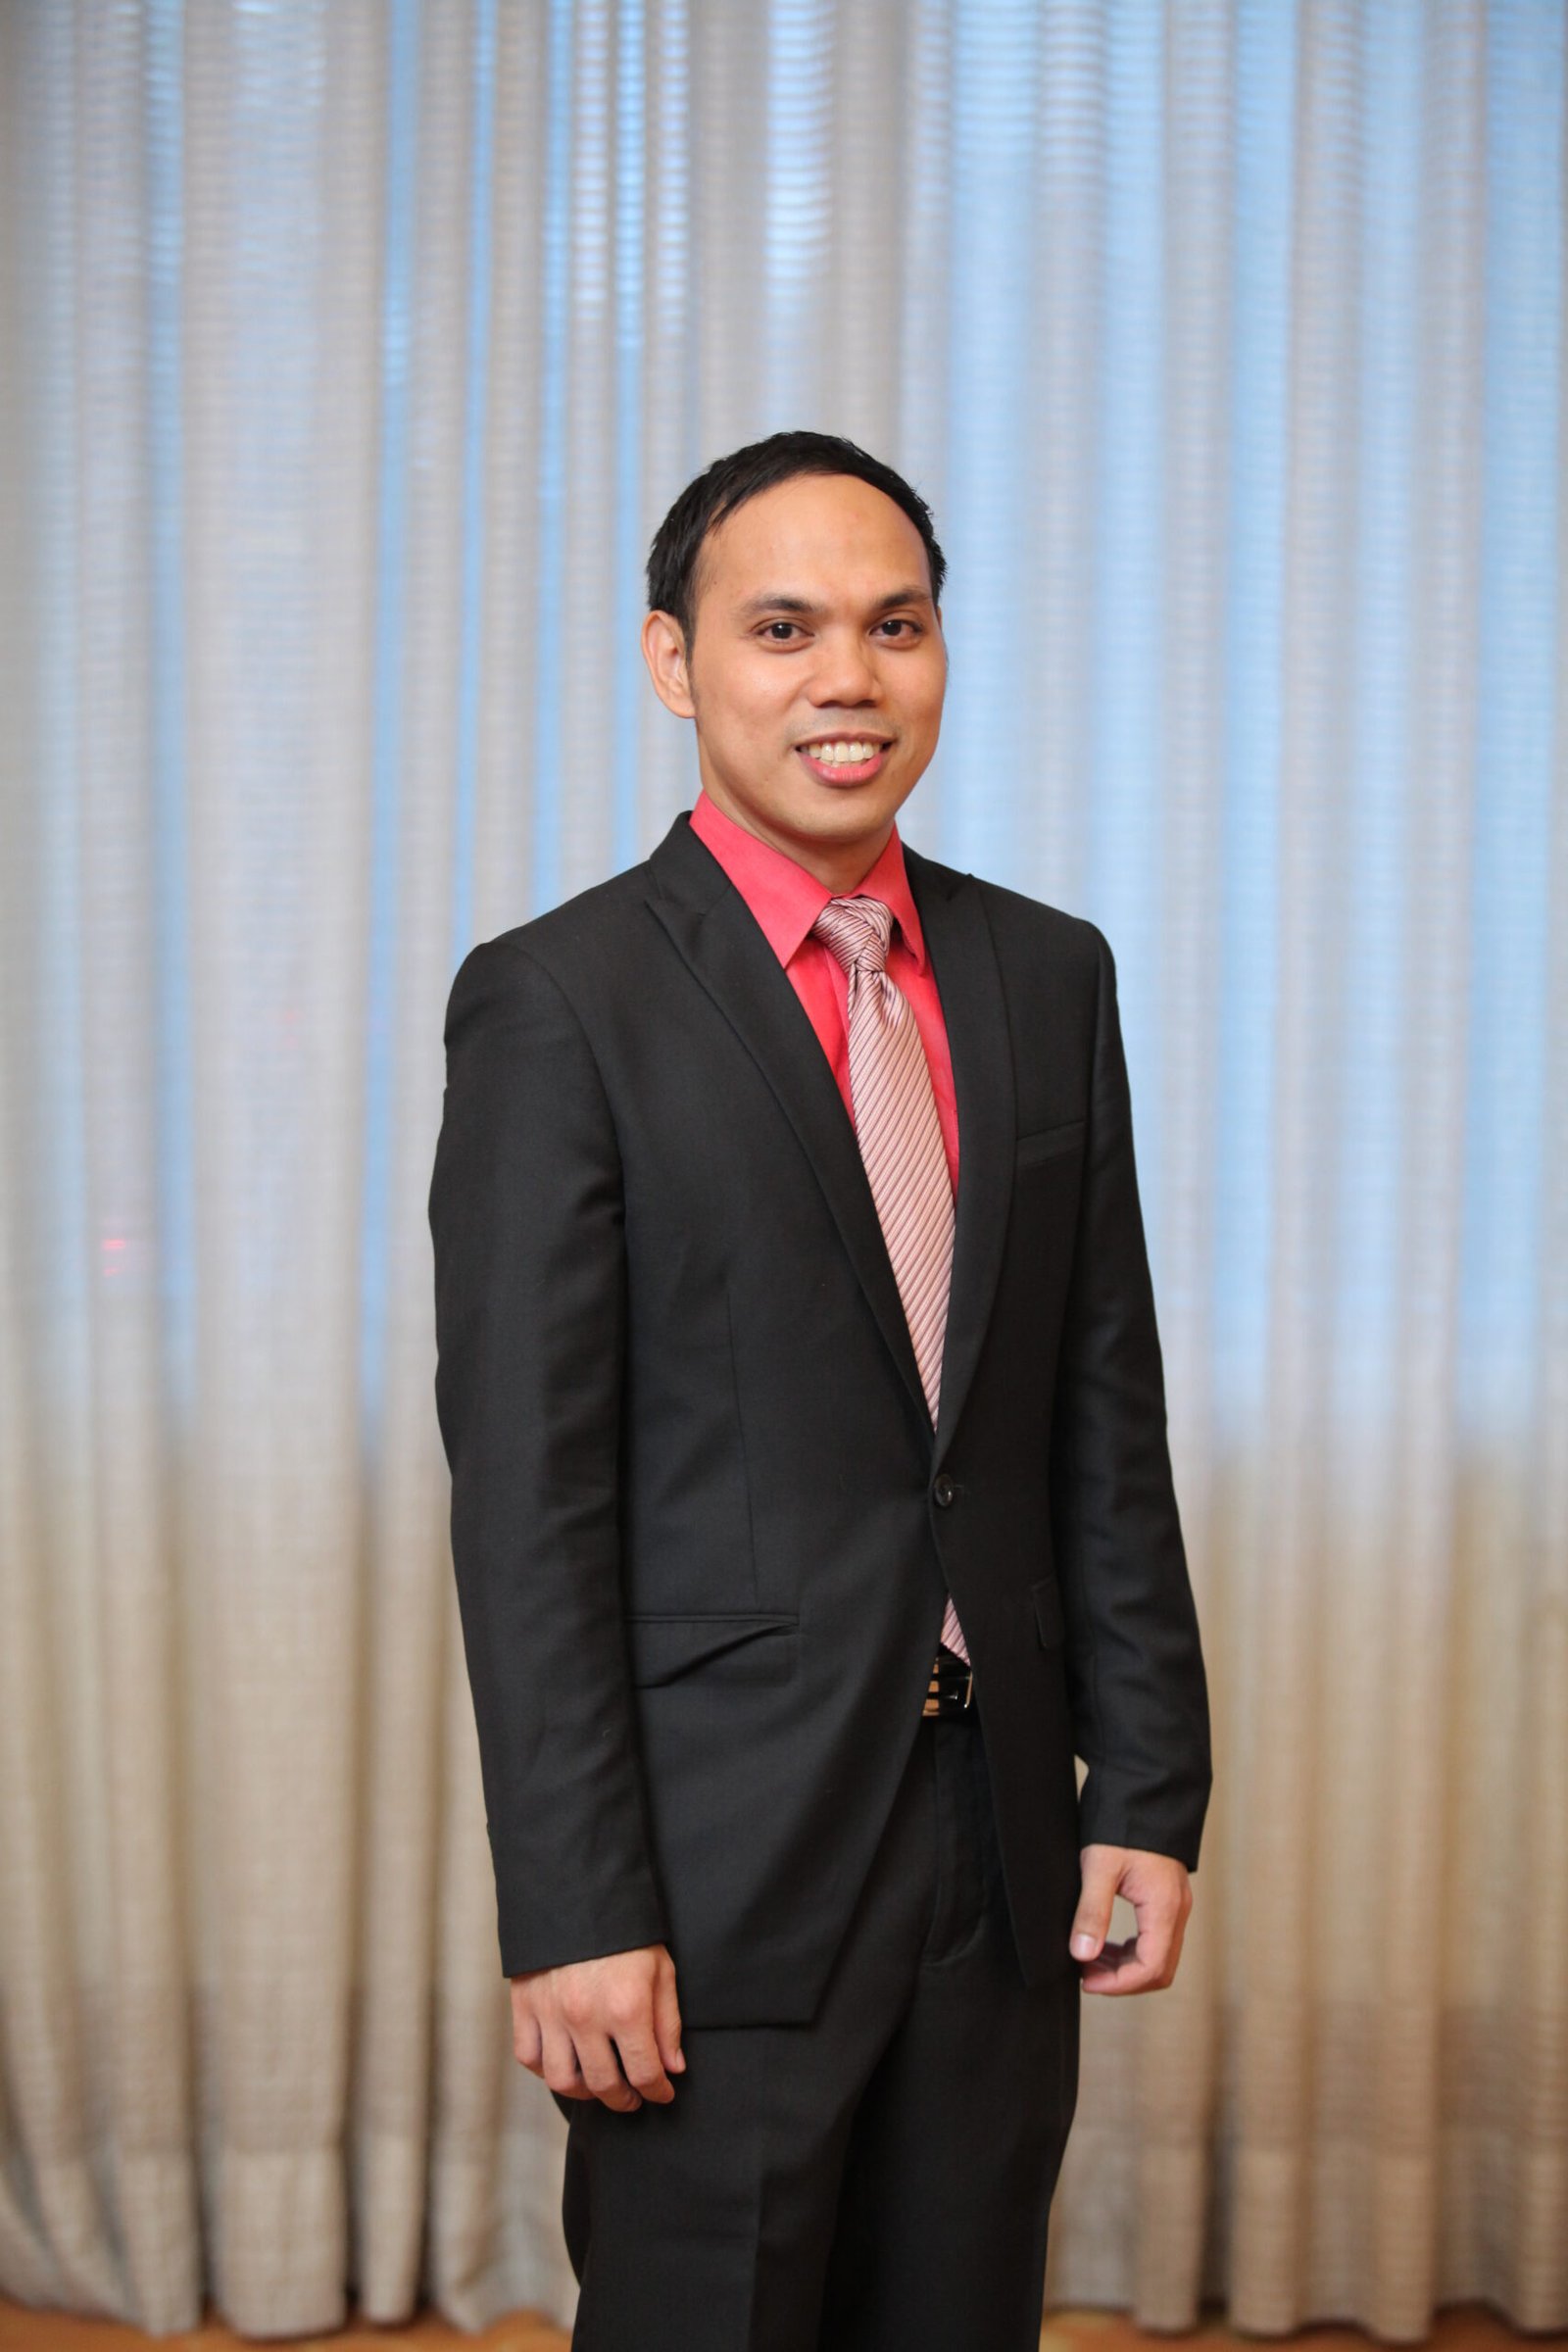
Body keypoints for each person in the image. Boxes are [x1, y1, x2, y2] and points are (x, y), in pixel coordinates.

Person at [427, 428, 1212, 2351]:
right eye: (780, 628)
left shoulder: (1047, 976)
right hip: (713, 1870)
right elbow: (530, 1507)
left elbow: (1098, 1407)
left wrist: (1150, 1782)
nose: (846, 678)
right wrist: (575, 1906)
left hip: (1001, 1839)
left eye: (894, 625)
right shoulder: (561, 1002)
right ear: (672, 660)